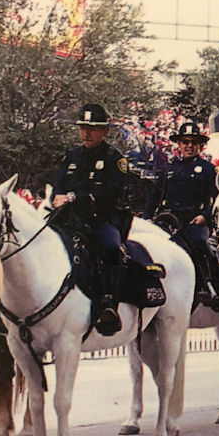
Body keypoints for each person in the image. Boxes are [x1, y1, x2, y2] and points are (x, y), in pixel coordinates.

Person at [52, 103, 131, 336]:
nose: (86, 133)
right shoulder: (72, 157)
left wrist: (77, 198)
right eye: (83, 127)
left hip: (101, 220)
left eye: (92, 128)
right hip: (70, 219)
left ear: (104, 131)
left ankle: (108, 303)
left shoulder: (114, 159)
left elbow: (112, 193)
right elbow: (59, 186)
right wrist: (57, 197)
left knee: (110, 246)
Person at [150, 122, 219, 309]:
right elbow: (154, 196)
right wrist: (146, 218)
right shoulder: (169, 169)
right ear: (179, 144)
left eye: (193, 142)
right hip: (168, 220)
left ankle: (209, 286)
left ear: (200, 145)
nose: (189, 145)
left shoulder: (207, 169)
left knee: (199, 243)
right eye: (185, 141)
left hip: (194, 221)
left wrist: (206, 216)